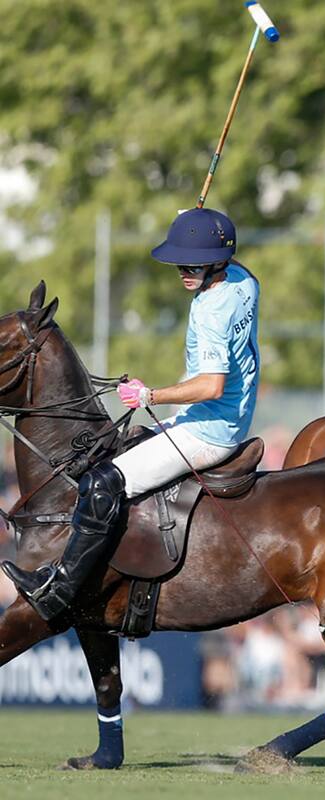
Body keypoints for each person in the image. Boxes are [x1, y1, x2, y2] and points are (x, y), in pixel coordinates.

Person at [3, 208, 260, 621]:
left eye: (191, 263)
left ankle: (61, 586)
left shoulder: (211, 310)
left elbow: (211, 385)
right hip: (223, 416)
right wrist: (198, 227)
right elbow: (233, 256)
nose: (182, 272)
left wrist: (150, 394)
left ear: (216, 262)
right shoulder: (244, 282)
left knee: (103, 482)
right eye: (179, 262)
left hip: (209, 429)